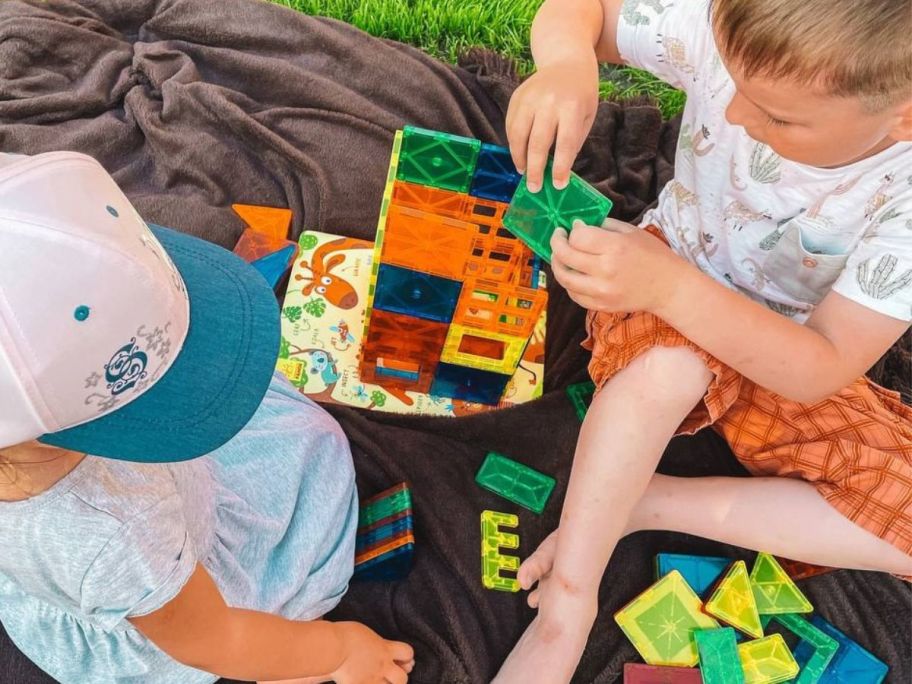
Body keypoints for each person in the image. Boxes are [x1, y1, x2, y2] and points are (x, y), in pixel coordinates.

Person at [495, 0, 912, 681]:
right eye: (733, 83)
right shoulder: (742, 43)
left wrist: (671, 290)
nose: (736, 115)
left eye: (777, 117)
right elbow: (580, 10)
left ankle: (642, 501)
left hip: (781, 349)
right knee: (670, 371)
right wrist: (569, 66)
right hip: (663, 288)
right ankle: (567, 606)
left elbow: (821, 367)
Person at [0, 151, 414, 684]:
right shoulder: (123, 531)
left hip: (92, 574)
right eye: (161, 393)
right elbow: (218, 639)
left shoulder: (27, 449)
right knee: (313, 446)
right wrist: (338, 650)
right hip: (177, 607)